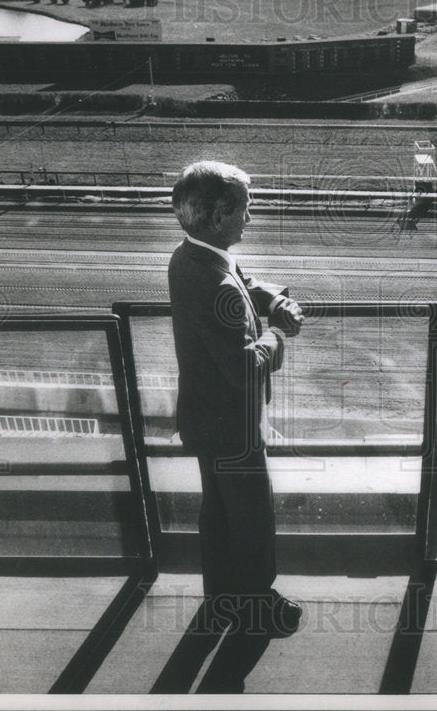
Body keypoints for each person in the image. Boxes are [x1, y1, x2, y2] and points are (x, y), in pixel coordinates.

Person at [168, 160, 305, 642]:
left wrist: (273, 300)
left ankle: (222, 597)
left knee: (220, 514)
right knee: (252, 518)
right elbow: (247, 367)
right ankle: (257, 606)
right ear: (220, 214)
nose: (250, 218)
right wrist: (275, 333)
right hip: (234, 428)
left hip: (204, 421)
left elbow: (242, 284)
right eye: (246, 209)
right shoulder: (215, 279)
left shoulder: (192, 256)